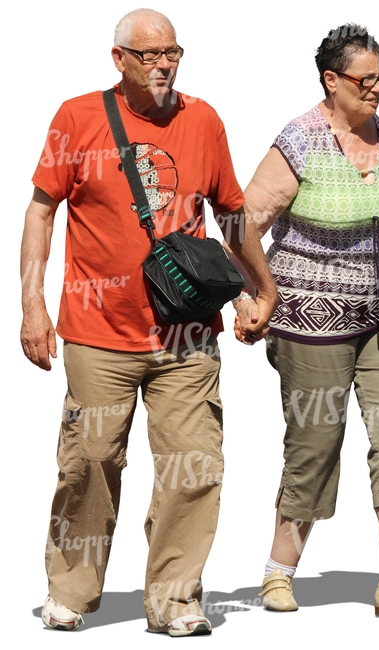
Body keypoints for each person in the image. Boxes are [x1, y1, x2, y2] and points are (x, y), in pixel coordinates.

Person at [20, 8, 276, 636]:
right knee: (89, 461)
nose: (164, 65)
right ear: (120, 60)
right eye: (150, 55)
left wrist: (260, 290)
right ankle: (72, 591)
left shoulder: (204, 118)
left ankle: (175, 598)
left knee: (195, 463)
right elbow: (41, 212)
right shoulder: (76, 117)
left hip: (186, 332)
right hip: (96, 329)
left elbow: (232, 214)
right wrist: (32, 304)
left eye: (173, 53)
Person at [233, 24, 379, 617]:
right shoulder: (300, 139)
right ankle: (278, 573)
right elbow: (242, 226)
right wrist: (251, 296)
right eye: (367, 79)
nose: (378, 89)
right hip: (309, 321)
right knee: (316, 444)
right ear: (331, 80)